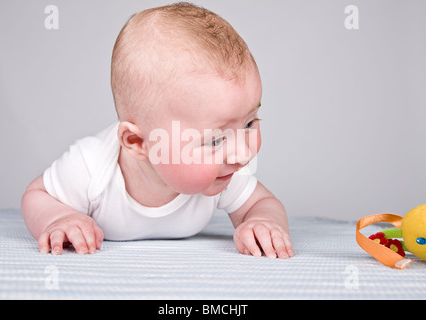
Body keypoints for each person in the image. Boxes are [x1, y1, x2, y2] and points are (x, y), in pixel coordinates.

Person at [21, 2, 293, 259]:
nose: (242, 153)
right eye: (215, 140)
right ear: (138, 142)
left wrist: (262, 221)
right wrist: (57, 218)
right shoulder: (92, 166)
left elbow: (263, 203)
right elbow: (37, 195)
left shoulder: (224, 173)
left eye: (248, 123)